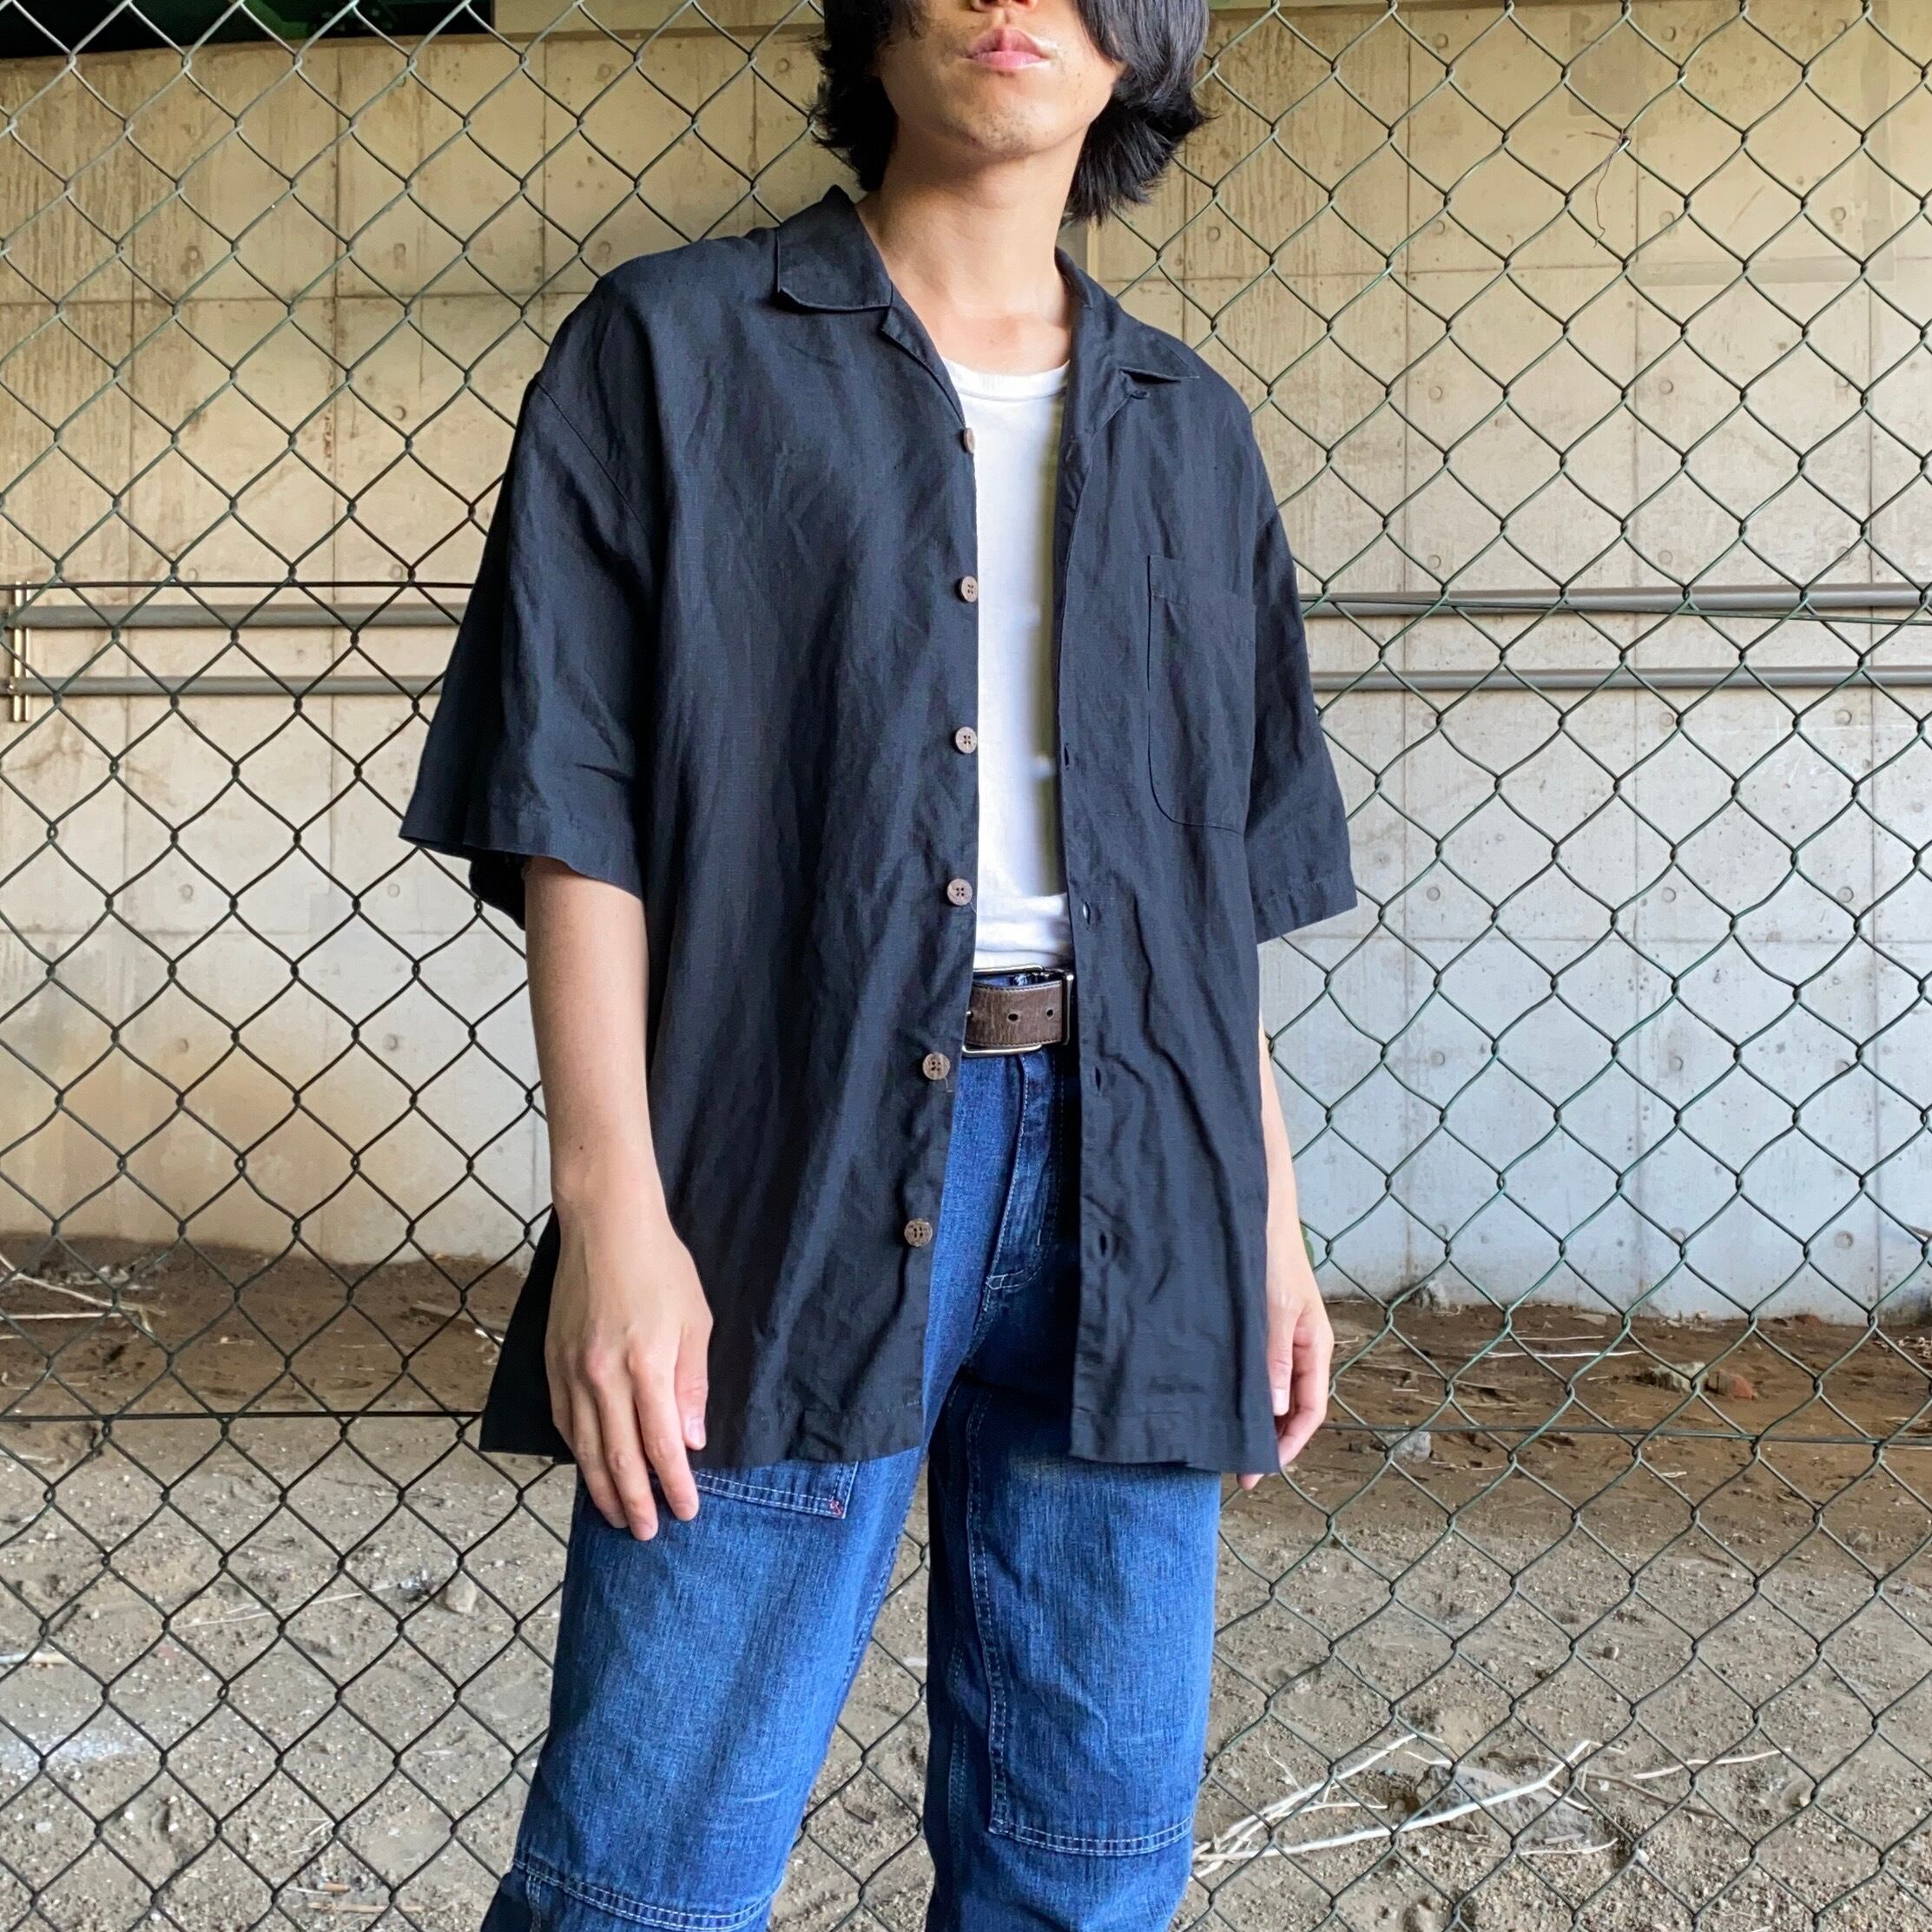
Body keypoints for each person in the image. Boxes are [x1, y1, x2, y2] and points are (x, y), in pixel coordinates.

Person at [398, 0, 1356, 1920]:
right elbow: (574, 802)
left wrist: (1264, 1212)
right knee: (648, 1871)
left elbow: (1210, 877)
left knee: (1087, 1867)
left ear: (1140, 50)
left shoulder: (1189, 425)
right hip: (787, 1154)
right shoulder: (669, 349)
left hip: (1142, 1174)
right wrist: (612, 1213)